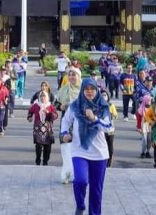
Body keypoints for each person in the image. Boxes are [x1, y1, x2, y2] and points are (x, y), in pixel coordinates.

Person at [60, 78, 112, 215]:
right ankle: (80, 205)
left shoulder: (103, 106)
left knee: (96, 190)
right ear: (82, 90)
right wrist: (64, 134)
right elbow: (65, 121)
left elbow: (108, 127)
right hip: (79, 151)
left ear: (96, 90)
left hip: (99, 154)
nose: (89, 92)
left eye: (92, 89)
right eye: (86, 89)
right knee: (81, 181)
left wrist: (94, 118)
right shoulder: (75, 105)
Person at [27, 89, 58, 166]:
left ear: (47, 97)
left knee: (48, 146)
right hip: (38, 127)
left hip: (48, 128)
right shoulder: (36, 105)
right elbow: (30, 112)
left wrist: (49, 113)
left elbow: (55, 115)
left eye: (44, 96)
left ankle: (45, 161)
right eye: (41, 96)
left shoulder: (50, 106)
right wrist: (30, 117)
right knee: (38, 145)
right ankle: (38, 160)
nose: (42, 98)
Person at [100, 90, 117, 167]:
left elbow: (115, 115)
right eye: (102, 95)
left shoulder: (111, 105)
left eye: (105, 95)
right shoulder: (98, 105)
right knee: (102, 145)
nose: (104, 96)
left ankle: (108, 163)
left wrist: (111, 115)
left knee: (110, 145)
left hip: (110, 129)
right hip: (101, 129)